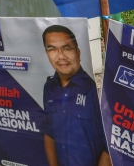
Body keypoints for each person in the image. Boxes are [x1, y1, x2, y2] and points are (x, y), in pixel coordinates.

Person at [41, 25, 109, 166]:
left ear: (78, 52)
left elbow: (108, 147)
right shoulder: (49, 88)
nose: (60, 56)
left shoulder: (95, 90)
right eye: (52, 49)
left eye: (66, 48)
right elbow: (49, 133)